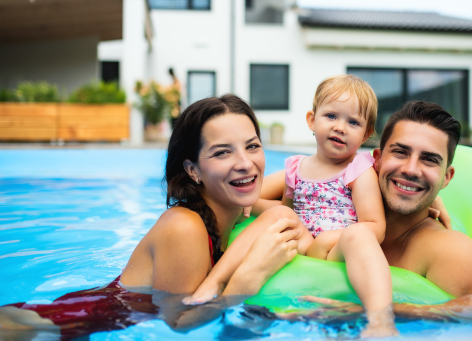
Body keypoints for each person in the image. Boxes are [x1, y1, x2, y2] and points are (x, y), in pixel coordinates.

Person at [0, 95, 305, 338]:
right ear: (192, 170)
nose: (245, 163)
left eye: (252, 146)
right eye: (222, 153)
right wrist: (250, 276)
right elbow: (179, 322)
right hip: (41, 328)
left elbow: (289, 196)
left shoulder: (231, 209)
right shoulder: (185, 226)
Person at [187, 76, 444, 337]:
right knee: (280, 213)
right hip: (303, 243)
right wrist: (249, 206)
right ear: (312, 119)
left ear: (366, 133)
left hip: (336, 248)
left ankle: (380, 321)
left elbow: (375, 226)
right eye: (331, 116)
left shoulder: (359, 169)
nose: (340, 127)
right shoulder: (296, 167)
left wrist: (329, 239)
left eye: (353, 122)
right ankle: (214, 282)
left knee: (359, 234)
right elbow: (270, 203)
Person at [287, 100, 472, 322]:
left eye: (429, 160)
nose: (411, 169)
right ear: (377, 160)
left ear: (446, 178)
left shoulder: (442, 247)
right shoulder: (338, 201)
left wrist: (385, 312)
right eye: (401, 152)